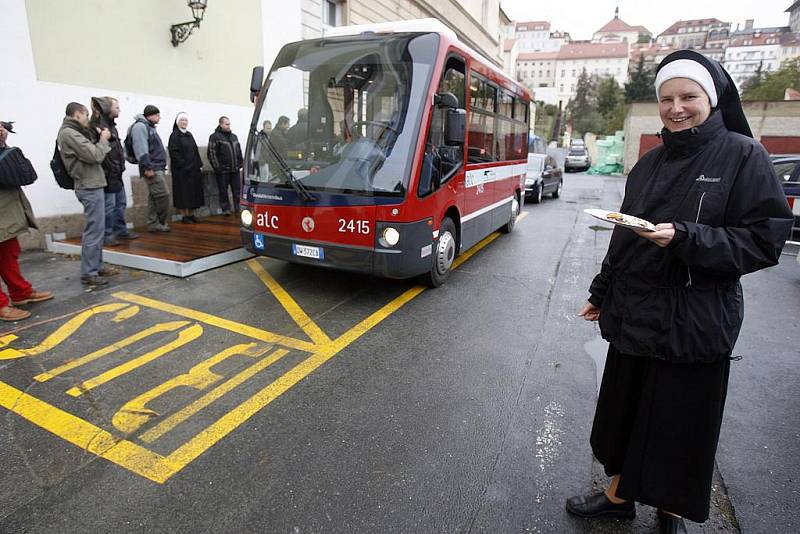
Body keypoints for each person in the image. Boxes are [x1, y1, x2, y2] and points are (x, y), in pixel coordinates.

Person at [567, 50, 794, 533]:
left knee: (679, 421)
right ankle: (618, 496)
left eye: (688, 96)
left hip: (696, 318)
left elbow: (765, 240)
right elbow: (625, 235)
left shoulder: (742, 154)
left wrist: (687, 238)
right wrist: (602, 291)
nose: (676, 107)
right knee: (624, 413)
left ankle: (669, 510)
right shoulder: (649, 163)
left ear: (710, 100)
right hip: (636, 311)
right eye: (667, 98)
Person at [0, 121, 53, 320]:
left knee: (9, 252)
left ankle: (20, 293)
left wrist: (2, 145)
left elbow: (17, 172)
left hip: (5, 209)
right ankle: (1, 305)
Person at [57, 102, 113, 286]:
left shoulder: (75, 132)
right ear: (77, 114)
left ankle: (96, 267)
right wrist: (103, 139)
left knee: (98, 229)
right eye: (86, 115)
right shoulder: (69, 133)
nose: (87, 119)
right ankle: (89, 272)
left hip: (93, 184)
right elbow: (95, 155)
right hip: (88, 186)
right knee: (94, 231)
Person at [90, 96, 138, 246]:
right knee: (109, 206)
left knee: (120, 203)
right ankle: (108, 234)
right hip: (108, 173)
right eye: (116, 107)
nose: (119, 110)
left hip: (116, 172)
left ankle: (120, 229)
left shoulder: (111, 126)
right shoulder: (100, 126)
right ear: (107, 109)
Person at [130, 105, 170, 232]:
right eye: (157, 115)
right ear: (150, 115)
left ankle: (154, 223)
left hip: (156, 166)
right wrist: (147, 167)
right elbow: (141, 149)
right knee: (163, 195)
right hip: (152, 168)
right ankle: (160, 222)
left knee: (154, 197)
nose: (159, 118)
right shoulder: (140, 127)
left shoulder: (149, 127)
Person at [167, 112, 204, 223]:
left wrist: (199, 164)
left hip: (193, 170)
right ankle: (184, 215)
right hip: (181, 172)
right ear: (177, 122)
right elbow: (174, 153)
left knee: (193, 193)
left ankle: (191, 214)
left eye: (185, 120)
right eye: (182, 120)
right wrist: (183, 165)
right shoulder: (174, 136)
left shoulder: (189, 135)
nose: (184, 122)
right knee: (183, 194)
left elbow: (195, 151)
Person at [208, 116, 243, 215]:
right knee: (223, 191)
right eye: (226, 124)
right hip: (223, 170)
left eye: (229, 124)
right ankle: (225, 209)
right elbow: (211, 153)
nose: (228, 126)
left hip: (235, 169)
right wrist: (217, 167)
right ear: (221, 124)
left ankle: (238, 207)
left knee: (237, 190)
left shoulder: (234, 136)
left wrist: (240, 163)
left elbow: (238, 151)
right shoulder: (214, 137)